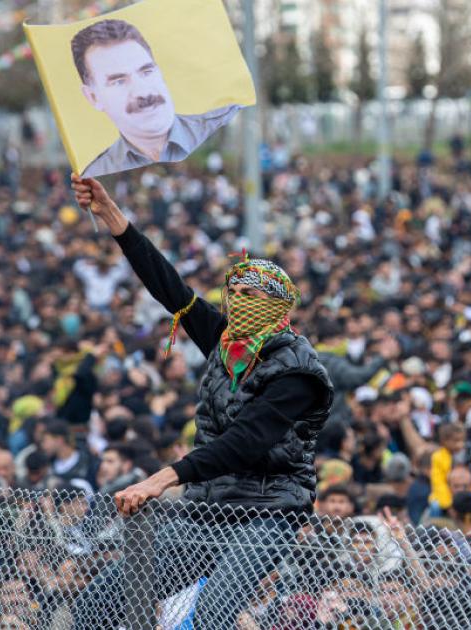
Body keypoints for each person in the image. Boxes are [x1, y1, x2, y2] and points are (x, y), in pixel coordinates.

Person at [69, 174, 334, 629]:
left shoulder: (298, 370)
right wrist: (113, 217)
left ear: (279, 308)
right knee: (101, 599)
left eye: (251, 297)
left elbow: (246, 440)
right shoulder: (223, 339)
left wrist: (163, 479)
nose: (238, 303)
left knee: (211, 616)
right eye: (234, 294)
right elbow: (170, 288)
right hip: (208, 508)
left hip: (268, 512)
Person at [72, 19, 241, 178]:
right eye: (119, 81)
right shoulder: (97, 173)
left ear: (159, 71)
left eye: (147, 72)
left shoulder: (220, 122)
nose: (143, 92)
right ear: (93, 97)